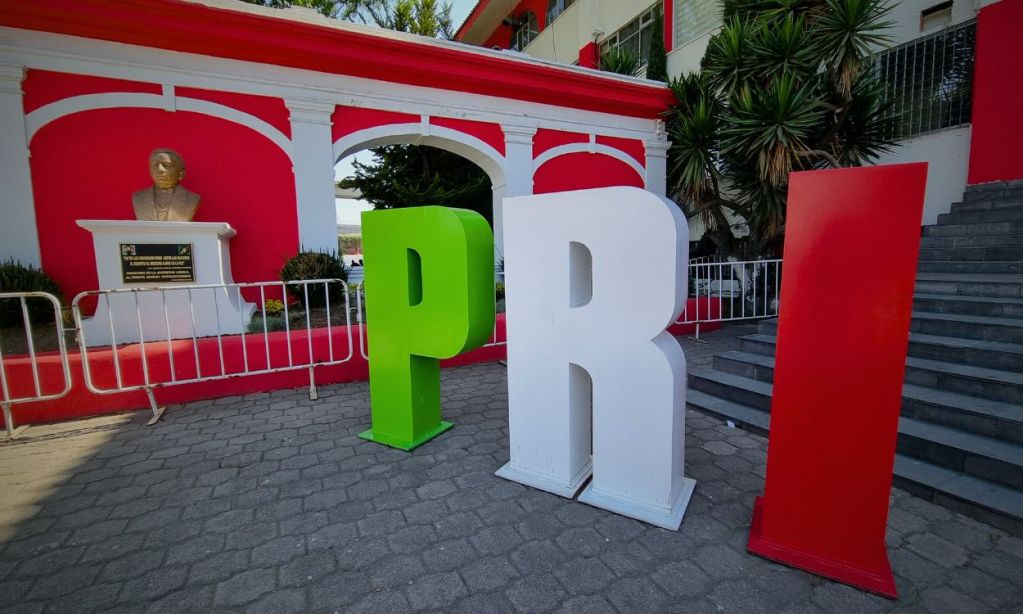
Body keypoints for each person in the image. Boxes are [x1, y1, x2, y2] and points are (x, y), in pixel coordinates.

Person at [132, 148, 201, 222]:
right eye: (155, 165)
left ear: (181, 173)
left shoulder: (191, 198)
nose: (160, 169)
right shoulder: (139, 197)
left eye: (166, 165)